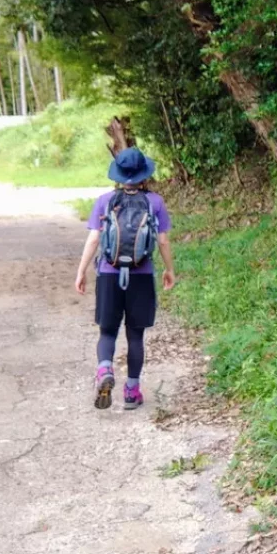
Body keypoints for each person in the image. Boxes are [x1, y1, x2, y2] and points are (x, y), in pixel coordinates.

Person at [74, 148, 176, 410]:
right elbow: (162, 240)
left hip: (109, 274)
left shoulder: (105, 201)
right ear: (144, 175)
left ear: (118, 175)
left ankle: (105, 369)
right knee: (135, 335)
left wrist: (82, 270)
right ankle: (131, 392)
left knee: (107, 331)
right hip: (141, 276)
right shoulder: (155, 202)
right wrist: (169, 270)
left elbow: (95, 238)